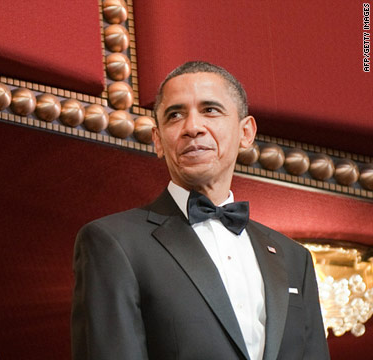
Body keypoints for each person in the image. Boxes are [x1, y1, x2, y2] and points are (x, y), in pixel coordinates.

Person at [71, 61, 329, 360]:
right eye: (175, 115)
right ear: (157, 140)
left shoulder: (294, 257)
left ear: (246, 132)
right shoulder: (113, 242)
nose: (192, 127)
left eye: (210, 110)